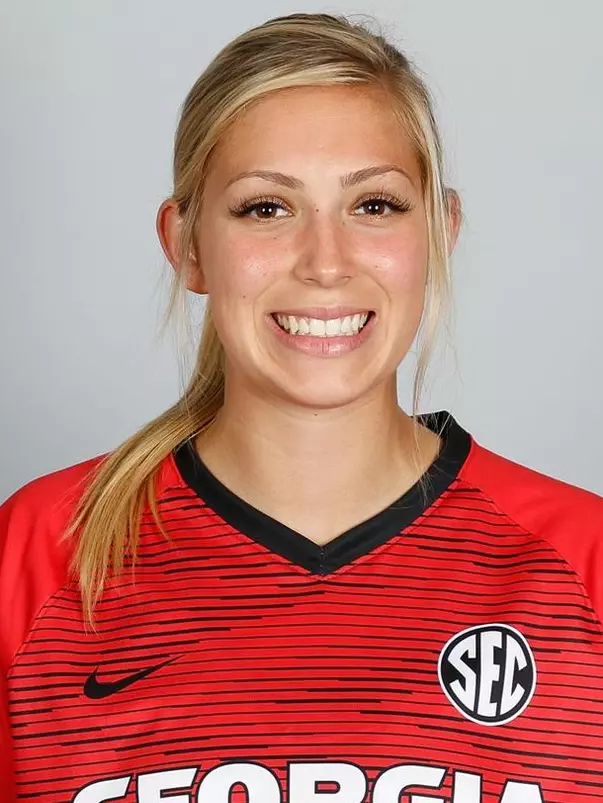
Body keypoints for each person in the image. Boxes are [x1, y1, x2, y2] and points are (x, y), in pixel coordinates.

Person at [1, 10, 602, 803]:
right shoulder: (38, 558)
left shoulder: (581, 564)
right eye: (265, 208)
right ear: (185, 246)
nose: (326, 262)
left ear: (442, 229)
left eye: (375, 205)